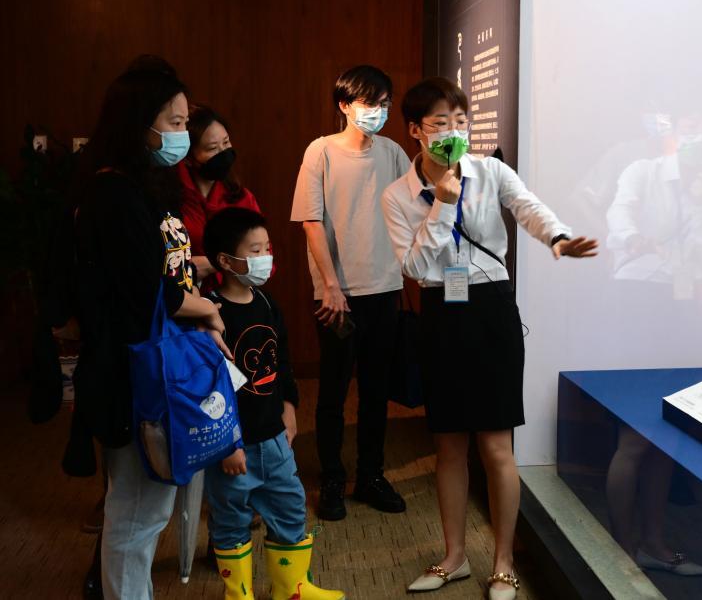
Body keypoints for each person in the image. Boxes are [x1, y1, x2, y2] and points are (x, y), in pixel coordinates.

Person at [380, 77, 598, 600]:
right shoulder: (397, 195)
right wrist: (442, 205)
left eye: (461, 121)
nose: (454, 132)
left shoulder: (490, 170)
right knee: (448, 445)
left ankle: (503, 563)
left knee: (497, 445)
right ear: (415, 131)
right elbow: (415, 268)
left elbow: (527, 207)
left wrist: (558, 238)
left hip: (492, 309)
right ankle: (454, 557)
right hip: (440, 313)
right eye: (441, 123)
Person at [70, 62, 232, 599]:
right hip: (133, 375)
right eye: (176, 122)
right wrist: (207, 312)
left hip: (147, 365)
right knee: (137, 514)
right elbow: (148, 292)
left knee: (146, 511)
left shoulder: (142, 186)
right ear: (140, 123)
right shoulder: (113, 195)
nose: (183, 134)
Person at [203, 207, 344, 600]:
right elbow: (209, 386)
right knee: (231, 519)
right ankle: (239, 594)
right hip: (233, 445)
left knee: (290, 505)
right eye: (255, 250)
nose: (265, 257)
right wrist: (228, 443)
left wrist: (290, 406)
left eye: (267, 248)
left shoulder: (266, 302)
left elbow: (281, 361)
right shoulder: (210, 312)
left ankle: (291, 588)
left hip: (274, 437)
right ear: (225, 261)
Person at [291, 64, 411, 520]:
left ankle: (371, 475)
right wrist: (330, 286)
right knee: (334, 390)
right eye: (369, 103)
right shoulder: (320, 151)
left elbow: (415, 204)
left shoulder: (393, 152)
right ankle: (332, 479)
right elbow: (311, 222)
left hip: (385, 289)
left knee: (376, 389)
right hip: (336, 295)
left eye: (384, 104)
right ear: (344, 105)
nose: (378, 111)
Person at [178, 104, 265, 288]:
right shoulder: (171, 197)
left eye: (226, 143)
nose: (223, 153)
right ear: (188, 157)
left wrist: (213, 264)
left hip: (233, 297)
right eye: (212, 148)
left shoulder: (241, 197)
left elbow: (264, 261)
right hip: (185, 297)